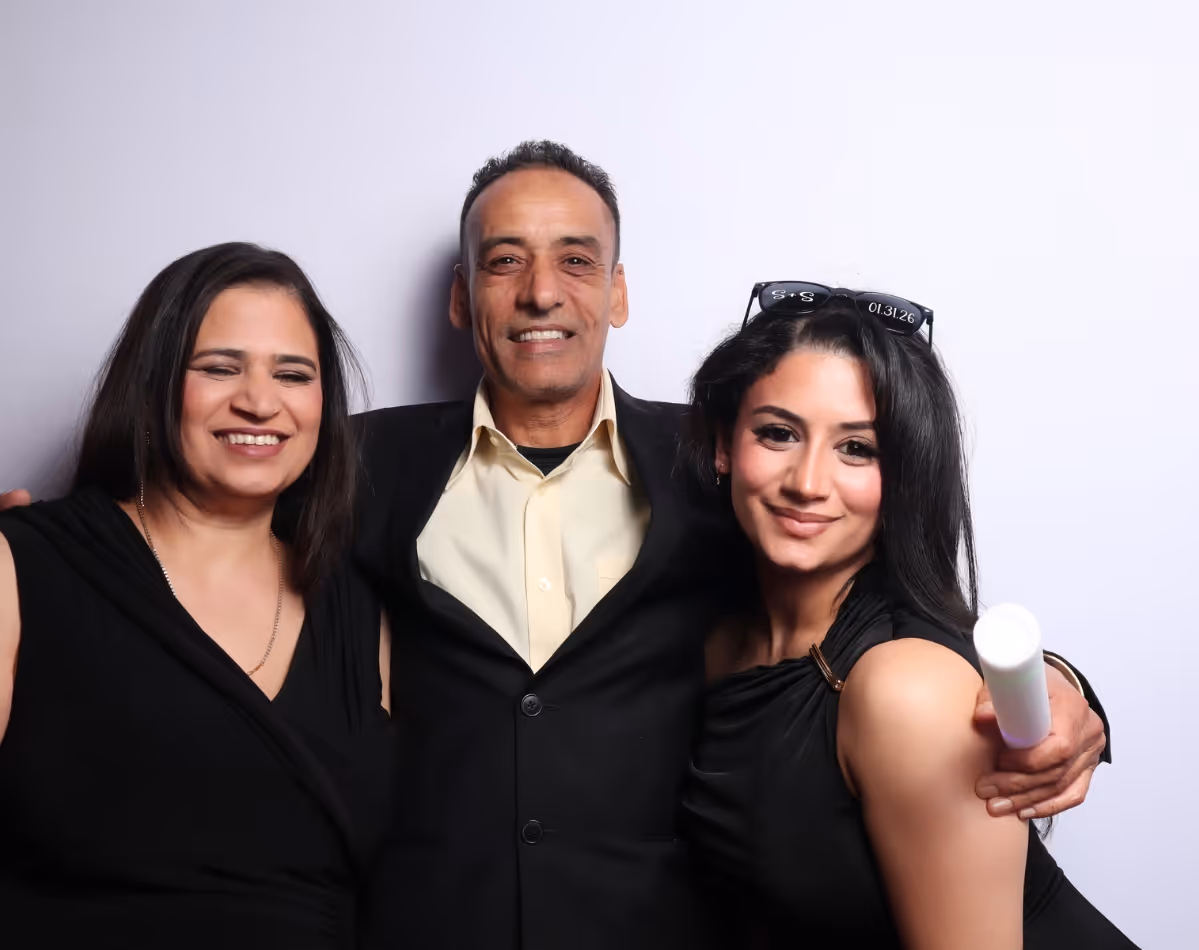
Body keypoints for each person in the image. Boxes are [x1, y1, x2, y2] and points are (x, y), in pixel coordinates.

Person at [1, 143, 1110, 950]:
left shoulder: (733, 463)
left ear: (618, 293)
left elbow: (877, 598)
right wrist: (39, 536)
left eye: (578, 259)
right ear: (459, 299)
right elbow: (189, 505)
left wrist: (1060, 688)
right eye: (505, 261)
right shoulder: (352, 464)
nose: (543, 291)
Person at [680, 285, 1135, 948]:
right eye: (778, 433)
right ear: (724, 446)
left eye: (857, 449)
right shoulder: (719, 634)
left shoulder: (905, 690)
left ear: (905, 477)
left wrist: (1059, 683)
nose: (808, 481)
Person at [0, 243, 393, 948]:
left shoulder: (363, 613)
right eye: (219, 367)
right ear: (153, 386)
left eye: (293, 374)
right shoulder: (23, 564)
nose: (260, 400)